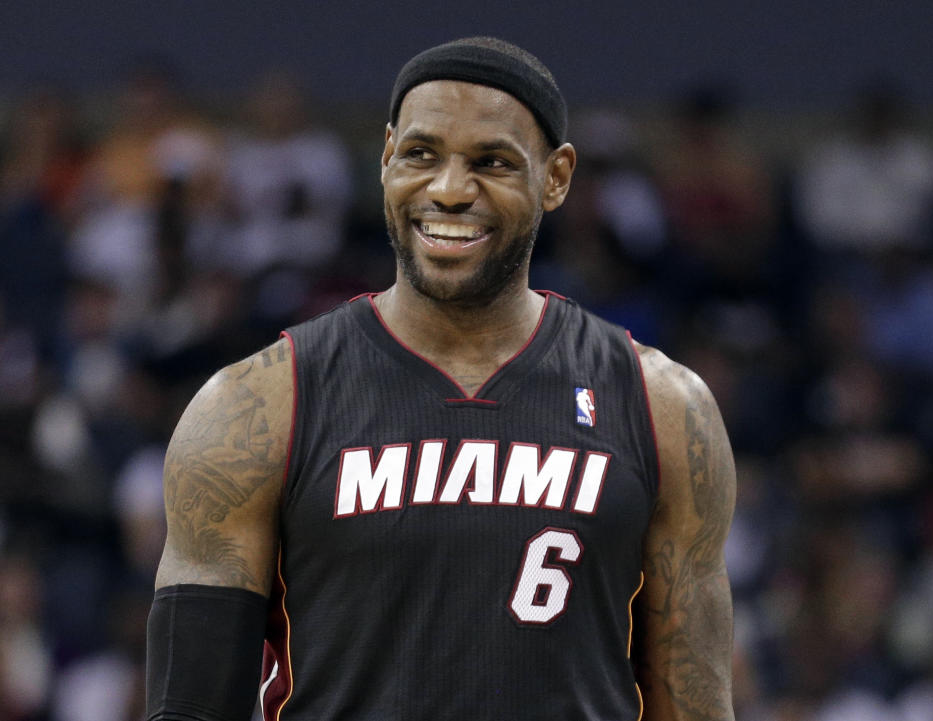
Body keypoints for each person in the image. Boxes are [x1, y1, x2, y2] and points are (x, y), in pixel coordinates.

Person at [146, 37, 737, 721]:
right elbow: (188, 705)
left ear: (555, 177)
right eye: (421, 155)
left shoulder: (661, 404)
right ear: (387, 156)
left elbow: (694, 704)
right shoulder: (256, 404)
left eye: (491, 162)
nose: (450, 191)